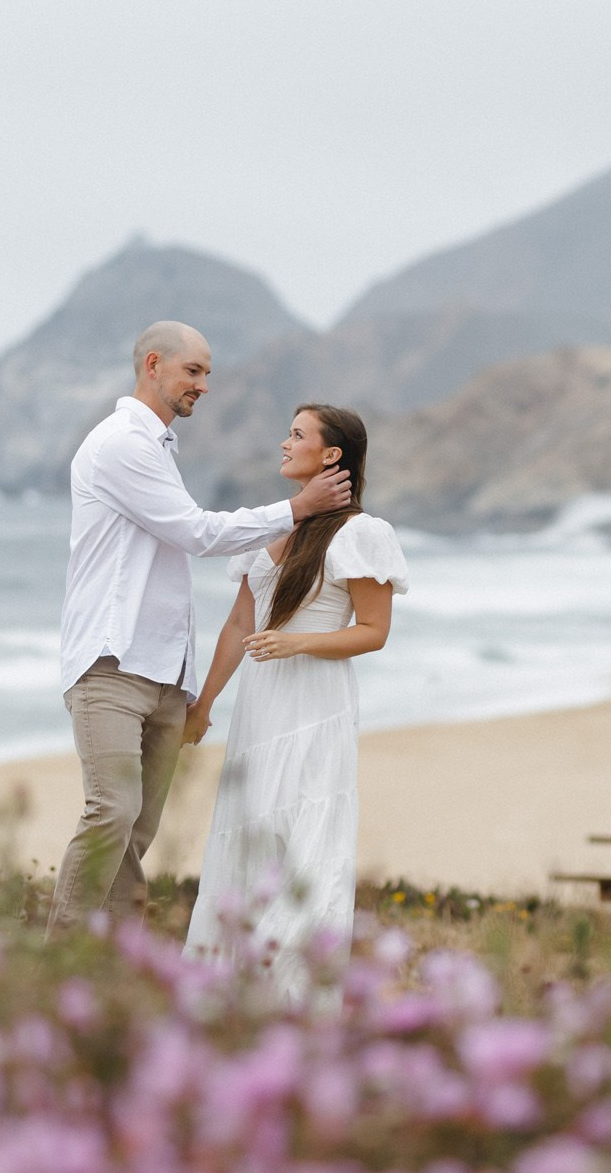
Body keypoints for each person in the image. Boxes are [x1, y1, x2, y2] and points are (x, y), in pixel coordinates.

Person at [49, 321, 353, 933]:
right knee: (111, 812)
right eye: (195, 371)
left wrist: (194, 690)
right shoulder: (121, 445)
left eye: (208, 373)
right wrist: (297, 508)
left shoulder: (160, 447)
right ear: (154, 365)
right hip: (111, 663)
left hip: (164, 673)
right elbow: (195, 533)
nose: (204, 385)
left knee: (136, 834)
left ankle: (112, 975)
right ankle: (56, 964)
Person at [183, 403, 407, 998]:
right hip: (260, 711)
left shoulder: (362, 534)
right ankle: (230, 996)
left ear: (331, 454)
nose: (284, 443)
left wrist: (296, 641)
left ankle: (295, 994)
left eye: (298, 434)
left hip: (316, 708)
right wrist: (203, 706)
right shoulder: (267, 528)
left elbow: (373, 630)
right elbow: (237, 625)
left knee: (307, 845)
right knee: (249, 841)